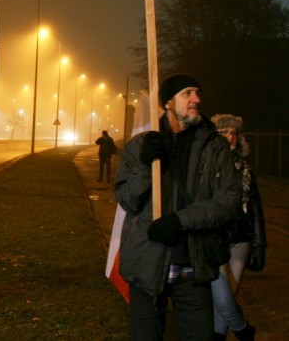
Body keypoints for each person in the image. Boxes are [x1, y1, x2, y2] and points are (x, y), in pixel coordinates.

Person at [114, 74, 242, 341]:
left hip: (193, 269)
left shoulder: (215, 146)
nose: (197, 99)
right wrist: (144, 167)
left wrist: (179, 221)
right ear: (168, 103)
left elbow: (227, 203)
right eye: (187, 93)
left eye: (197, 92)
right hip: (147, 265)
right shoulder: (140, 145)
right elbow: (127, 199)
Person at [210, 114, 266, 341]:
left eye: (234, 132)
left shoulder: (245, 169)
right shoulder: (208, 166)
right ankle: (245, 331)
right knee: (222, 296)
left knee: (230, 295)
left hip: (241, 237)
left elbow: (255, 207)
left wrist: (260, 245)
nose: (230, 136)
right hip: (215, 236)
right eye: (225, 132)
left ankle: (218, 336)